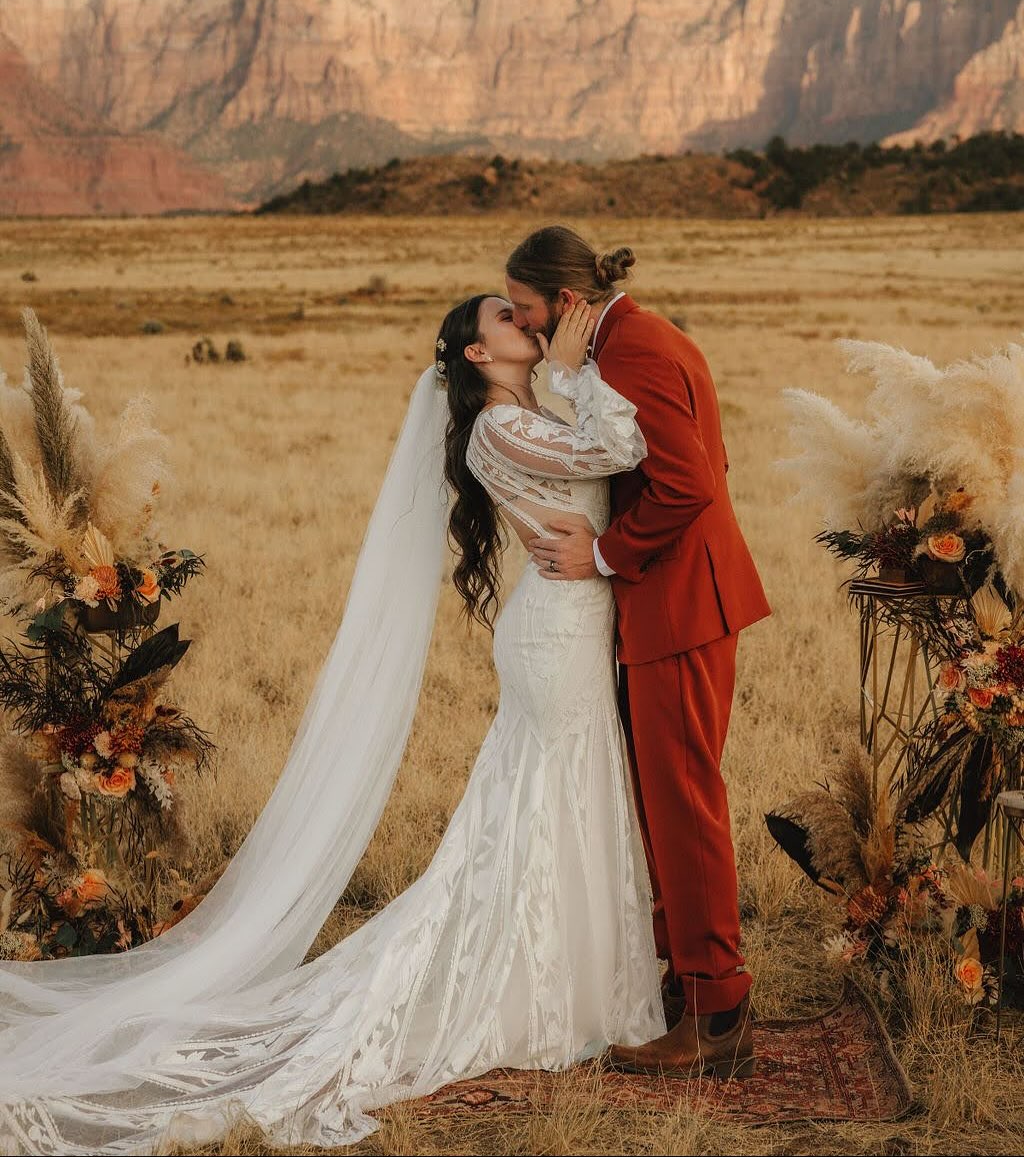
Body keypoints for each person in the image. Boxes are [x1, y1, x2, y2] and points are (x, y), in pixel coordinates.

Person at [0, 294, 666, 1156]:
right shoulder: (498, 428)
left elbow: (603, 458)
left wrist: (571, 380)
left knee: (560, 801)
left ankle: (579, 977)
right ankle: (533, 983)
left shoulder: (537, 406)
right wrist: (579, 368)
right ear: (475, 355)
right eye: (507, 316)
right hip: (555, 636)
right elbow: (621, 445)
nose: (527, 320)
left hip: (577, 624)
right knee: (539, 808)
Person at [505, 225, 771, 1079]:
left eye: (525, 313)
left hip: (680, 605)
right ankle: (685, 977)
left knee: (685, 805)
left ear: (569, 304)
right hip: (682, 601)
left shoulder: (632, 353)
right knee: (668, 802)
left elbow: (690, 482)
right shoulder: (633, 339)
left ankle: (717, 1010)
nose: (520, 328)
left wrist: (608, 553)